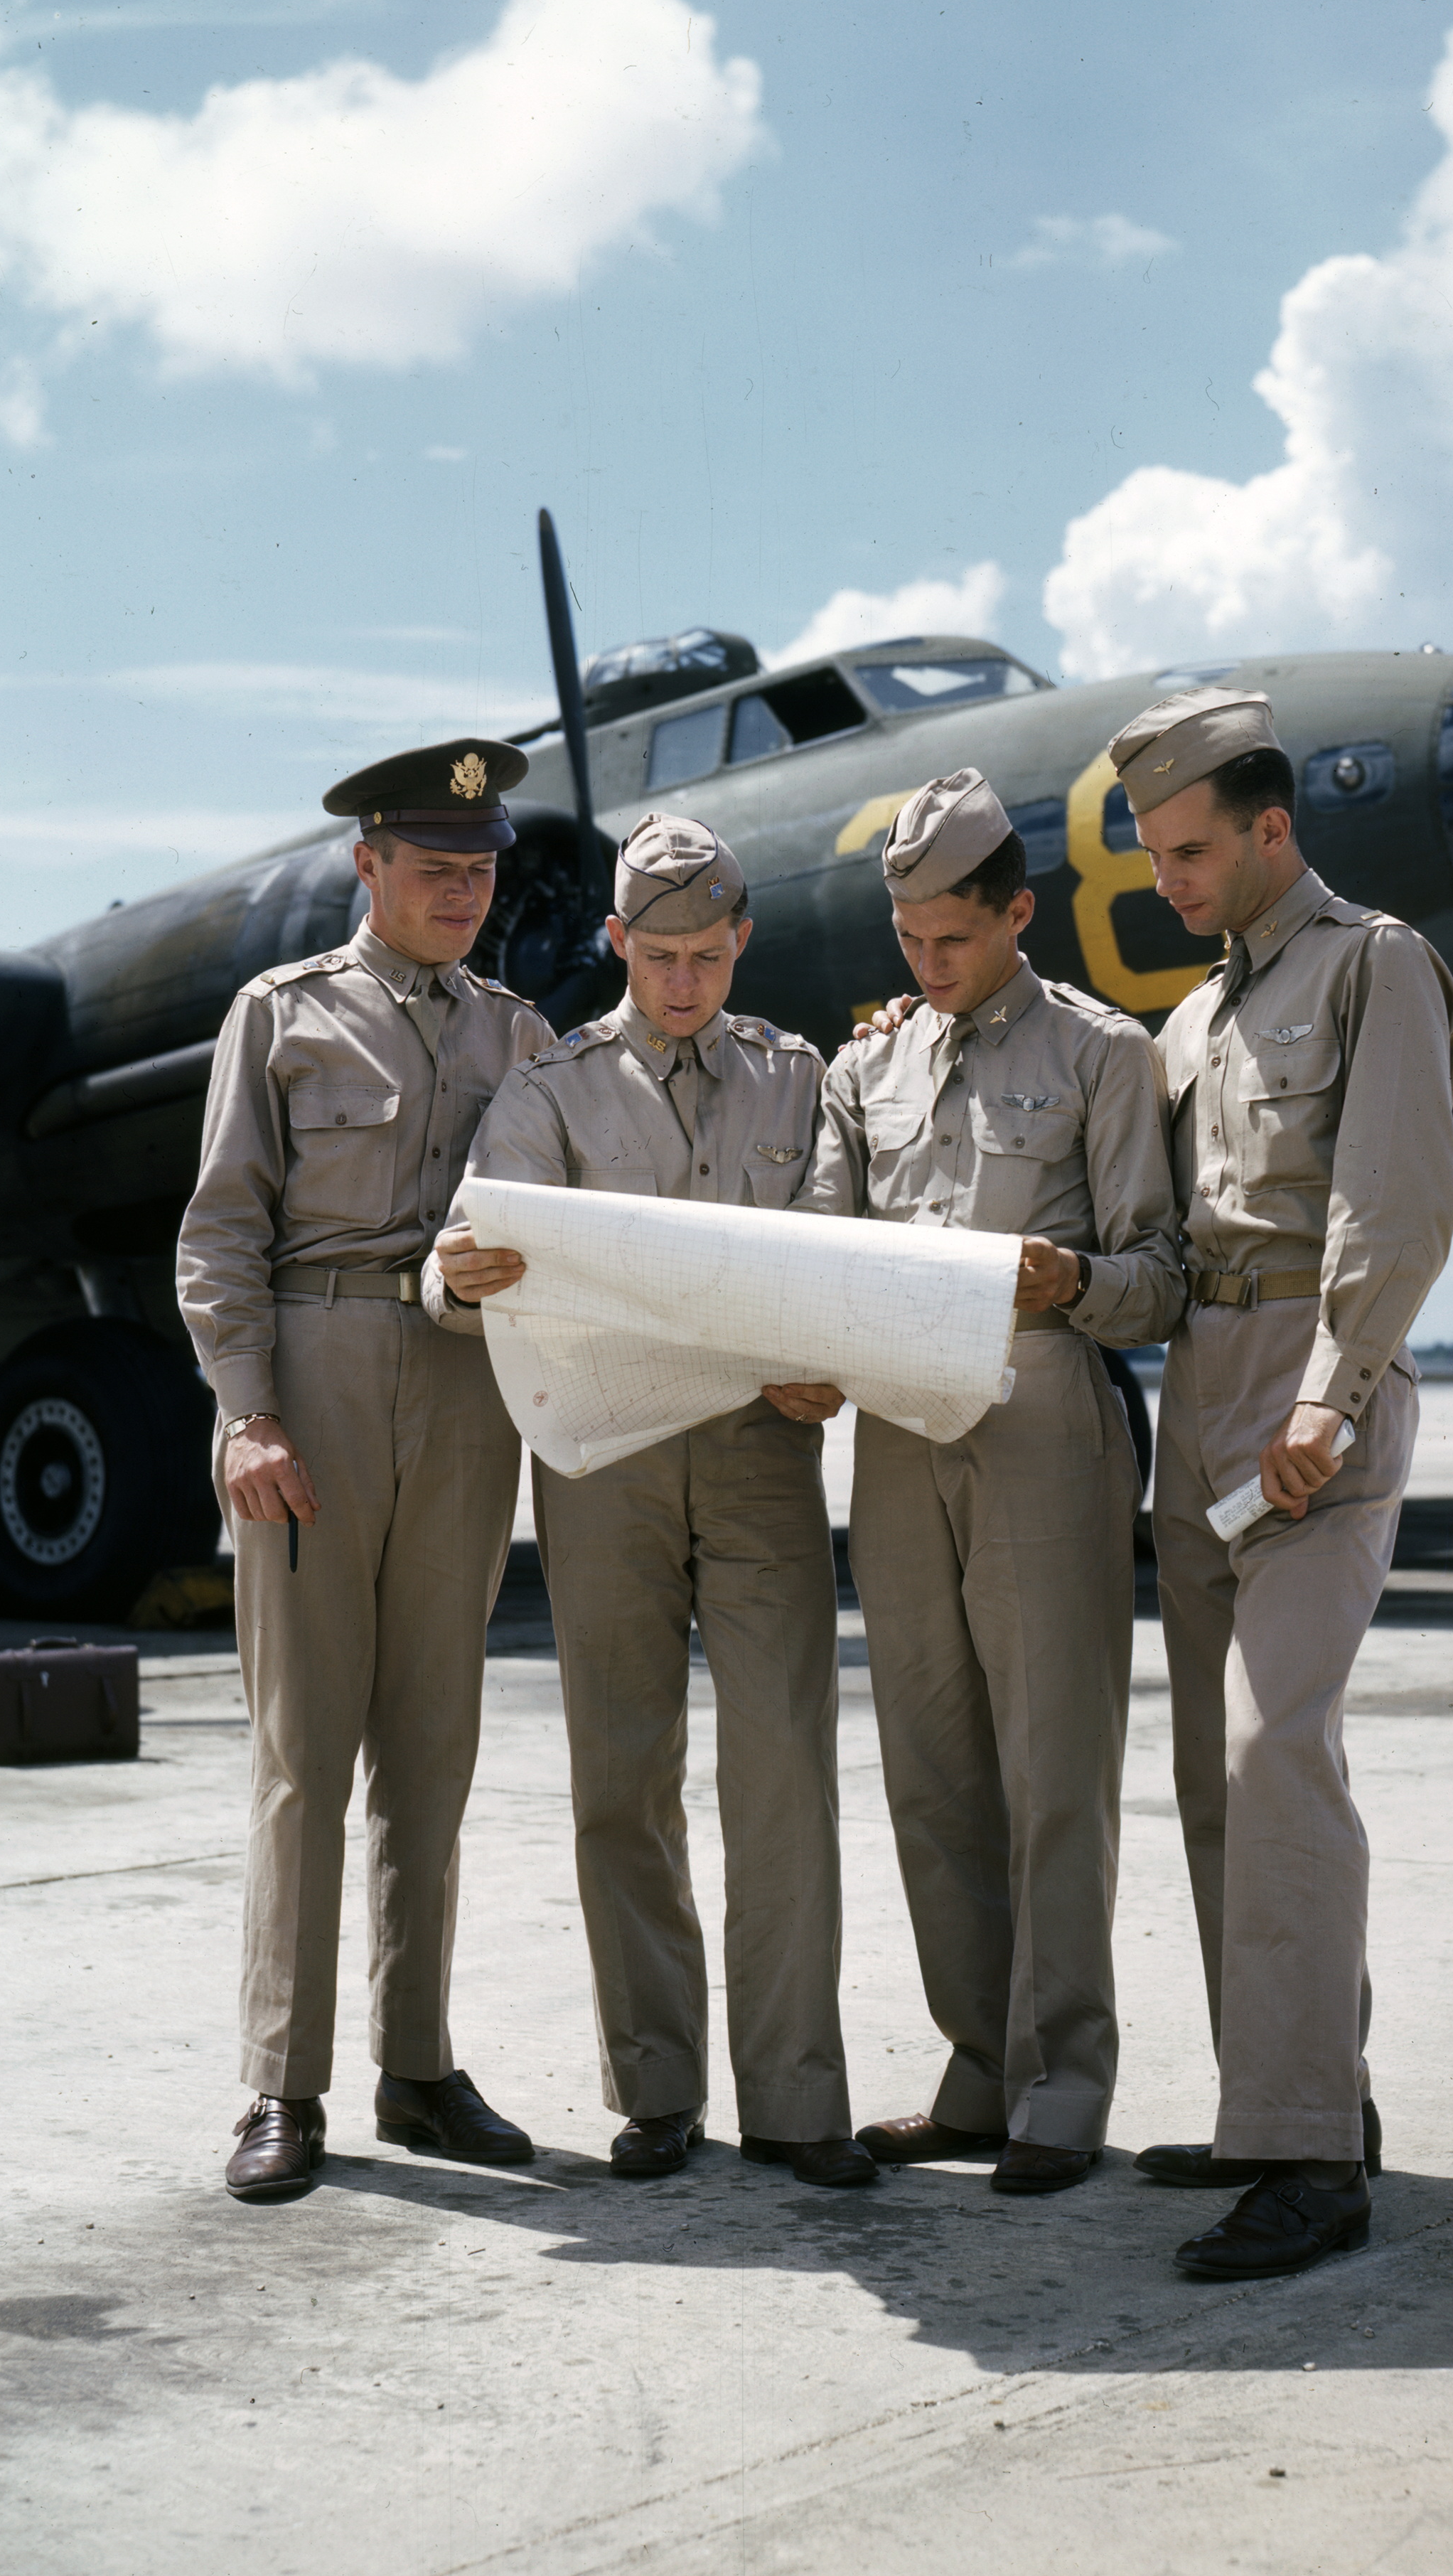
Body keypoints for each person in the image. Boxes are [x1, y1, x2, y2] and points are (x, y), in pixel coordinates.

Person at [429, 814, 872, 2189]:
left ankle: (800, 2100)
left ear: (743, 938)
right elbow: (462, 1264)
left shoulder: (805, 1081)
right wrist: (460, 1280)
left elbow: (847, 1247)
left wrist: (832, 1358)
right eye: (657, 956)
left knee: (784, 1768)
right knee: (623, 1773)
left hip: (758, 1455)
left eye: (707, 955)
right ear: (617, 943)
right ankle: (657, 2089)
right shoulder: (549, 1094)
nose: (683, 983)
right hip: (606, 1461)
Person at [1107, 685, 1453, 2280]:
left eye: (1192, 849)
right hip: (1201, 1403)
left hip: (1315, 1406)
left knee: (1277, 1759)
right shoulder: (1189, 1023)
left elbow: (1393, 1211)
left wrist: (1332, 1397)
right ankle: (1286, 2101)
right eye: (1153, 854)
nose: (1170, 878)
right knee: (1210, 1782)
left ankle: (1312, 2162)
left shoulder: (1377, 966)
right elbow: (1168, 1241)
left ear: (1271, 828)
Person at [792, 766, 1186, 2194]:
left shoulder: (1101, 1056)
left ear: (1019, 913)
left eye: (952, 937)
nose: (926, 962)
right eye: (907, 937)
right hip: (898, 1443)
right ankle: (976, 2070)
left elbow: (1160, 1283)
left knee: (1054, 1775)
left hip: (1041, 1423)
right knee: (935, 1775)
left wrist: (1074, 1275)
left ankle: (1064, 2085)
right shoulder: (864, 1067)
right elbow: (824, 1258)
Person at [178, 737, 554, 2204]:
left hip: (467, 1395)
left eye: (482, 871)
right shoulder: (282, 1018)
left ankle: (419, 2064)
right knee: (303, 1761)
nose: (464, 893)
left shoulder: (520, 1036)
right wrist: (247, 1415)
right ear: (370, 869)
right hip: (317, 1390)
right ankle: (284, 2084)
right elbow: (220, 1234)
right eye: (436, 869)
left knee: (433, 1750)